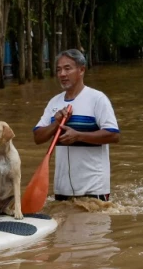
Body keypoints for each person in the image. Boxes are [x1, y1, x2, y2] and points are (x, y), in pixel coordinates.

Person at [32, 49, 120, 201]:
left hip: (94, 188)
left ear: (81, 70)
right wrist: (55, 123)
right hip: (62, 189)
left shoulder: (97, 99)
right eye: (59, 70)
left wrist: (78, 135)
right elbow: (37, 137)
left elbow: (114, 135)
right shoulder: (54, 102)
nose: (62, 74)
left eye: (68, 68)